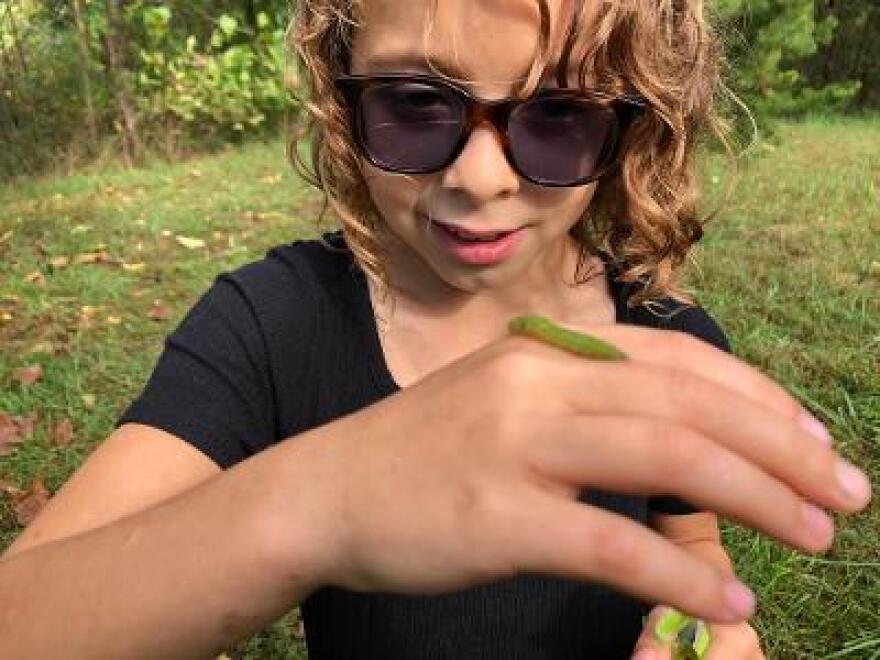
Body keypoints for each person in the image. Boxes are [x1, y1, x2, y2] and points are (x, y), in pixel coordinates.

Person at [0, 0, 871, 658]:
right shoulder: (273, 325)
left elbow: (691, 540)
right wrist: (322, 500)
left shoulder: (667, 343)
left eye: (561, 114)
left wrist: (705, 618)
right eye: (415, 103)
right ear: (343, 98)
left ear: (636, 127)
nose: (481, 177)